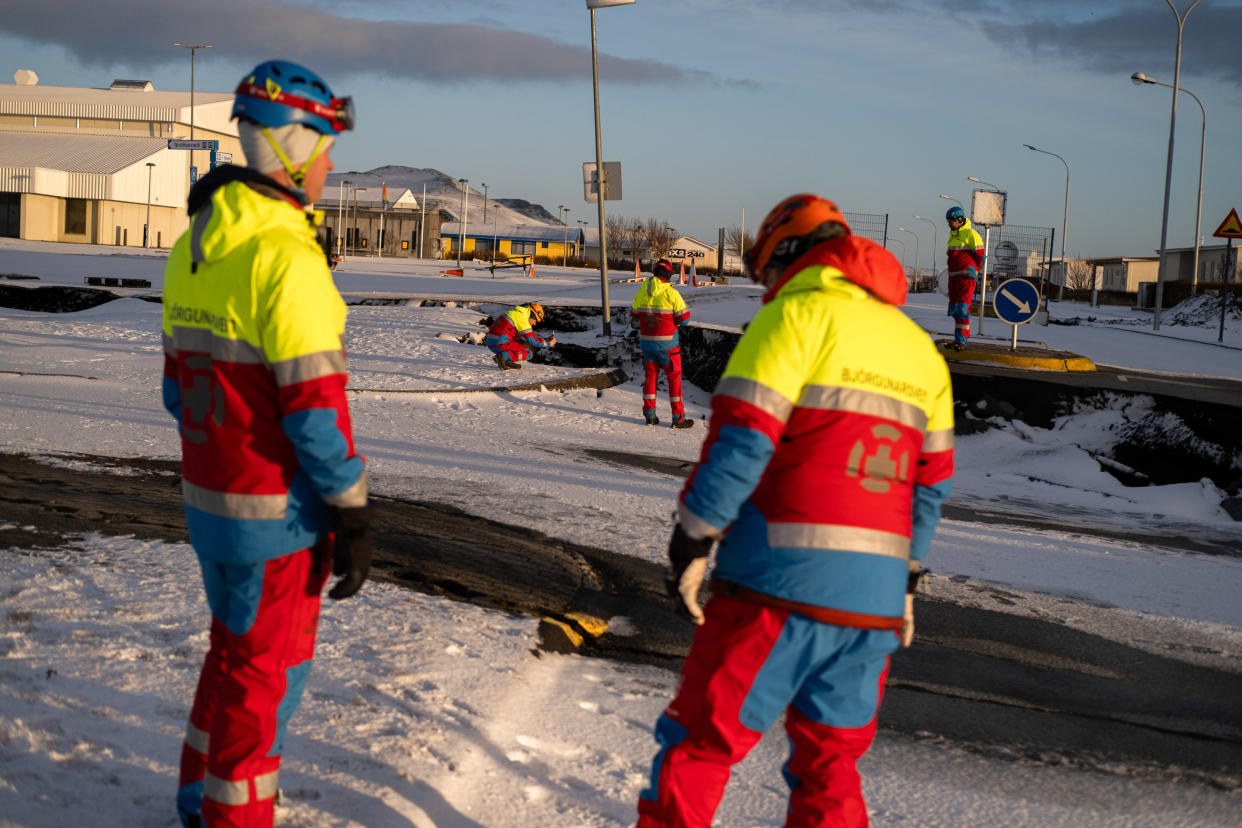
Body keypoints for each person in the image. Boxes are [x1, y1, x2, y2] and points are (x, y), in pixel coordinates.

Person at [636, 194, 955, 828]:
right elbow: (930, 487)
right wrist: (907, 579)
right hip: (873, 608)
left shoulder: (794, 319)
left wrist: (694, 538)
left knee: (702, 746)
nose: (767, 286)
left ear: (786, 255)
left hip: (773, 590)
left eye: (766, 272)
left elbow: (742, 442)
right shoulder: (921, 350)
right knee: (830, 766)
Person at [161, 59, 371, 828]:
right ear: (288, 146)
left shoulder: (194, 249)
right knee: (264, 680)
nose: (330, 162)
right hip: (277, 520)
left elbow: (174, 391)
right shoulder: (288, 260)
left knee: (230, 656)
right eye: (324, 144)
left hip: (209, 506)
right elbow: (317, 415)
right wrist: (352, 511)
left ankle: (196, 802)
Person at [629, 258, 694, 427]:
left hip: (647, 345)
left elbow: (634, 315)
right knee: (674, 380)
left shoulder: (642, 291)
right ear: (669, 275)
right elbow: (685, 319)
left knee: (650, 378)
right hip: (668, 347)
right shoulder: (671, 293)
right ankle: (678, 419)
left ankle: (650, 416)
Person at [944, 205, 984, 350]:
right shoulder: (953, 236)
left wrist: (974, 271)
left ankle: (962, 341)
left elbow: (981, 256)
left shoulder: (971, 234)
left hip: (966, 278)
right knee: (955, 310)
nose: (949, 224)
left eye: (951, 221)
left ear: (959, 220)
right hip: (954, 278)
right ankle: (957, 340)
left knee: (962, 308)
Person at [486, 302, 555, 369]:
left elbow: (526, 336)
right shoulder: (523, 319)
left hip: (492, 342)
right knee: (528, 353)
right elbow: (532, 341)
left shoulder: (517, 313)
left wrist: (544, 339)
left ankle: (506, 361)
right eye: (536, 321)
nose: (534, 324)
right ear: (533, 315)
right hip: (500, 343)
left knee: (520, 342)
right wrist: (548, 344)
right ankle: (503, 357)